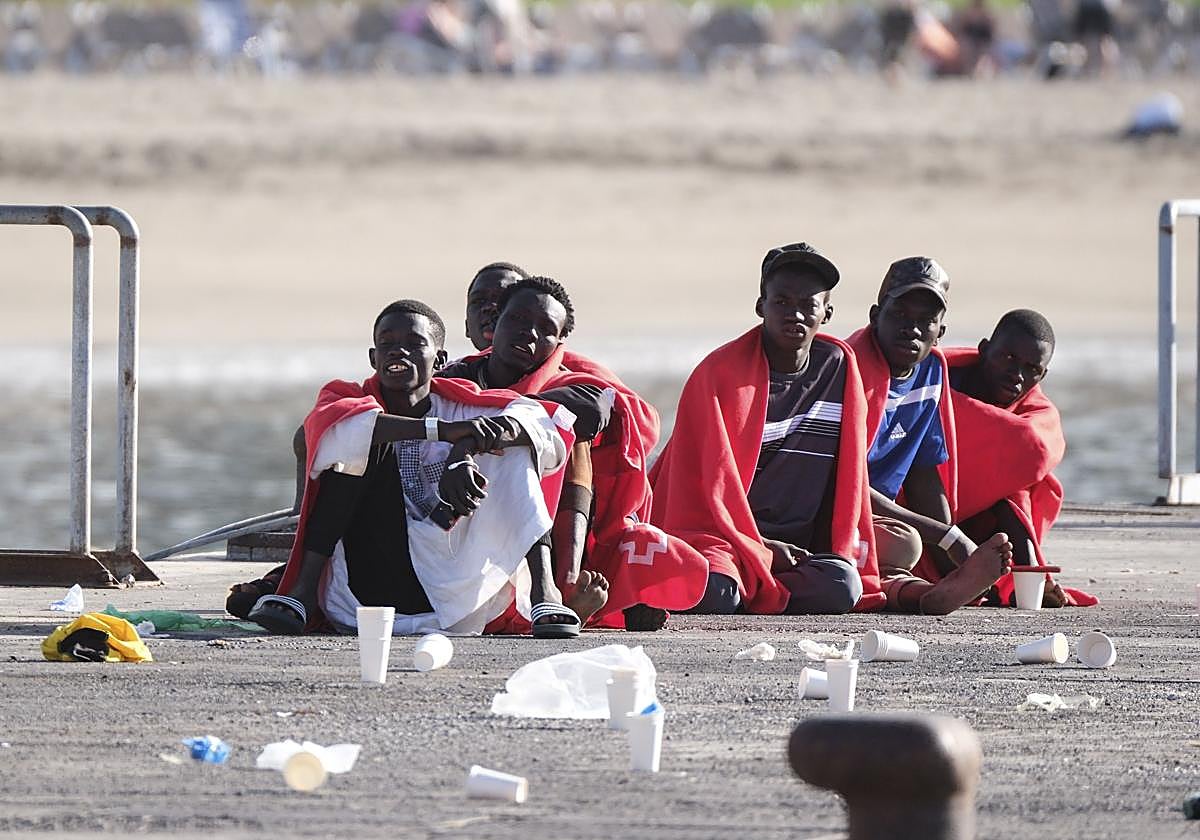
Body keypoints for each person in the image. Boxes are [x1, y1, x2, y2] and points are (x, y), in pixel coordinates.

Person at [247, 299, 600, 638]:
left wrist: (465, 450)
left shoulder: (463, 404)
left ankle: (544, 593)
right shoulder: (352, 401)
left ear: (440, 359)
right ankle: (302, 593)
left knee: (511, 446)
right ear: (374, 358)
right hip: (369, 584)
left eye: (414, 344)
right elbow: (331, 433)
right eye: (387, 344)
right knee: (361, 439)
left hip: (458, 586)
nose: (398, 352)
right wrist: (442, 432)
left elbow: (543, 422)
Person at [440, 276, 708, 629]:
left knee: (560, 431)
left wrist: (498, 423)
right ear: (495, 321)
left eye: (544, 327)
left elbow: (597, 412)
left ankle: (562, 585)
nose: (529, 333)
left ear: (560, 340)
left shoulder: (570, 382)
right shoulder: (453, 378)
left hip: (550, 529)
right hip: (461, 516)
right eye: (517, 319)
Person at [649, 243, 887, 615]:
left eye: (808, 305)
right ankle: (749, 583)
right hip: (724, 538)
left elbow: (847, 477)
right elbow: (699, 496)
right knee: (716, 594)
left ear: (827, 312)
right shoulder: (719, 374)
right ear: (761, 306)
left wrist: (824, 549)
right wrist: (758, 545)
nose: (795, 314)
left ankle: (760, 586)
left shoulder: (838, 367)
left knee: (842, 585)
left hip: (798, 549)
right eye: (781, 302)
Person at [847, 257, 1014, 614]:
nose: (913, 329)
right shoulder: (847, 369)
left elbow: (923, 473)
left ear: (941, 330)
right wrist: (948, 538)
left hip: (876, 520)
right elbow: (845, 484)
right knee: (903, 546)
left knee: (901, 545)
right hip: (831, 512)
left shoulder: (931, 370)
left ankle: (929, 592)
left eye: (926, 321)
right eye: (901, 315)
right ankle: (918, 595)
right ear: (875, 316)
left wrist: (954, 561)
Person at [946, 309, 1096, 606]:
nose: (1017, 375)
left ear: (1042, 375)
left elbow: (1037, 446)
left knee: (1015, 489)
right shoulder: (943, 382)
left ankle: (1025, 579)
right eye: (1008, 358)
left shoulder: (1032, 407)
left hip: (987, 518)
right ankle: (1010, 577)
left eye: (1031, 369)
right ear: (984, 348)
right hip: (928, 511)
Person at [464, 261, 530, 352]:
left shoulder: (553, 365)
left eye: (503, 299)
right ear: (467, 326)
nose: (489, 307)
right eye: (479, 301)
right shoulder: (453, 366)